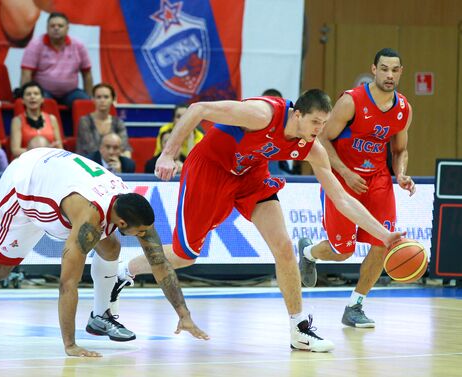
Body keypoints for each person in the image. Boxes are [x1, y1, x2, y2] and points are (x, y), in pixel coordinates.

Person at [121, 89, 405, 353]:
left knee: (283, 247)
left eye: (324, 123)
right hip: (211, 169)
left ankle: (299, 329)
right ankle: (125, 269)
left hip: (251, 176)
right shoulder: (262, 114)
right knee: (185, 255)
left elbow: (341, 199)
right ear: (297, 114)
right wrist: (168, 155)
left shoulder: (312, 148)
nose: (320, 130)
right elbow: (198, 108)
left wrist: (384, 234)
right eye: (315, 122)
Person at [0, 147, 208, 356]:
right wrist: (70, 345)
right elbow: (67, 285)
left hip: (53, 170)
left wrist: (183, 314)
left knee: (112, 245)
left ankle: (101, 315)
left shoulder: (132, 207)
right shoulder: (88, 221)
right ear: (120, 221)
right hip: (24, 186)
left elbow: (160, 264)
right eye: (139, 233)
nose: (143, 237)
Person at [297, 48, 415, 328]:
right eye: (384, 68)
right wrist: (345, 172)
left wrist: (400, 174)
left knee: (384, 242)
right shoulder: (351, 101)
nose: (389, 74)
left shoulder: (403, 109)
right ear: (374, 70)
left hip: (378, 181)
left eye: (394, 70)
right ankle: (308, 253)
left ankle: (355, 305)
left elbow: (401, 150)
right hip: (342, 179)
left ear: (400, 72)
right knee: (343, 252)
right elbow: (322, 140)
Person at [20, 12, 92, 107]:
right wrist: (25, 97)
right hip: (43, 92)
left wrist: (89, 97)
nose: (56, 28)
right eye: (52, 26)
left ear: (67, 28)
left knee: (85, 103)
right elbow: (26, 73)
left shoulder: (79, 46)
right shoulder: (35, 45)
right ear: (47, 28)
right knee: (39, 102)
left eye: (60, 26)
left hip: (71, 92)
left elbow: (87, 74)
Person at [76, 83, 131, 158]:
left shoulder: (118, 123)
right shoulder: (85, 121)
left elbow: (123, 146)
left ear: (113, 99)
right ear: (93, 99)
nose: (102, 100)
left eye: (106, 97)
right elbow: (90, 148)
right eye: (98, 97)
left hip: (113, 159)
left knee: (128, 161)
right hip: (89, 160)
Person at [10, 81, 63, 158]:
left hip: (50, 159)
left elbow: (60, 146)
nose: (32, 97)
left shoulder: (52, 119)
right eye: (28, 94)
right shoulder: (17, 121)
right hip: (27, 159)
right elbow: (15, 150)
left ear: (42, 99)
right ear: (23, 100)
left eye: (36, 94)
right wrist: (39, 151)